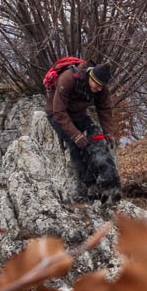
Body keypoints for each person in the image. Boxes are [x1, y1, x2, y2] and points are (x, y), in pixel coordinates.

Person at [42, 58, 122, 200]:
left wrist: (108, 132)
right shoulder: (68, 79)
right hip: (56, 114)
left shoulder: (101, 88)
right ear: (90, 76)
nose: (98, 89)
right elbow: (58, 112)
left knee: (98, 140)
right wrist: (76, 134)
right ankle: (90, 185)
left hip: (79, 115)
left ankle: (110, 184)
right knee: (76, 145)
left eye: (101, 87)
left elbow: (104, 108)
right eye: (97, 85)